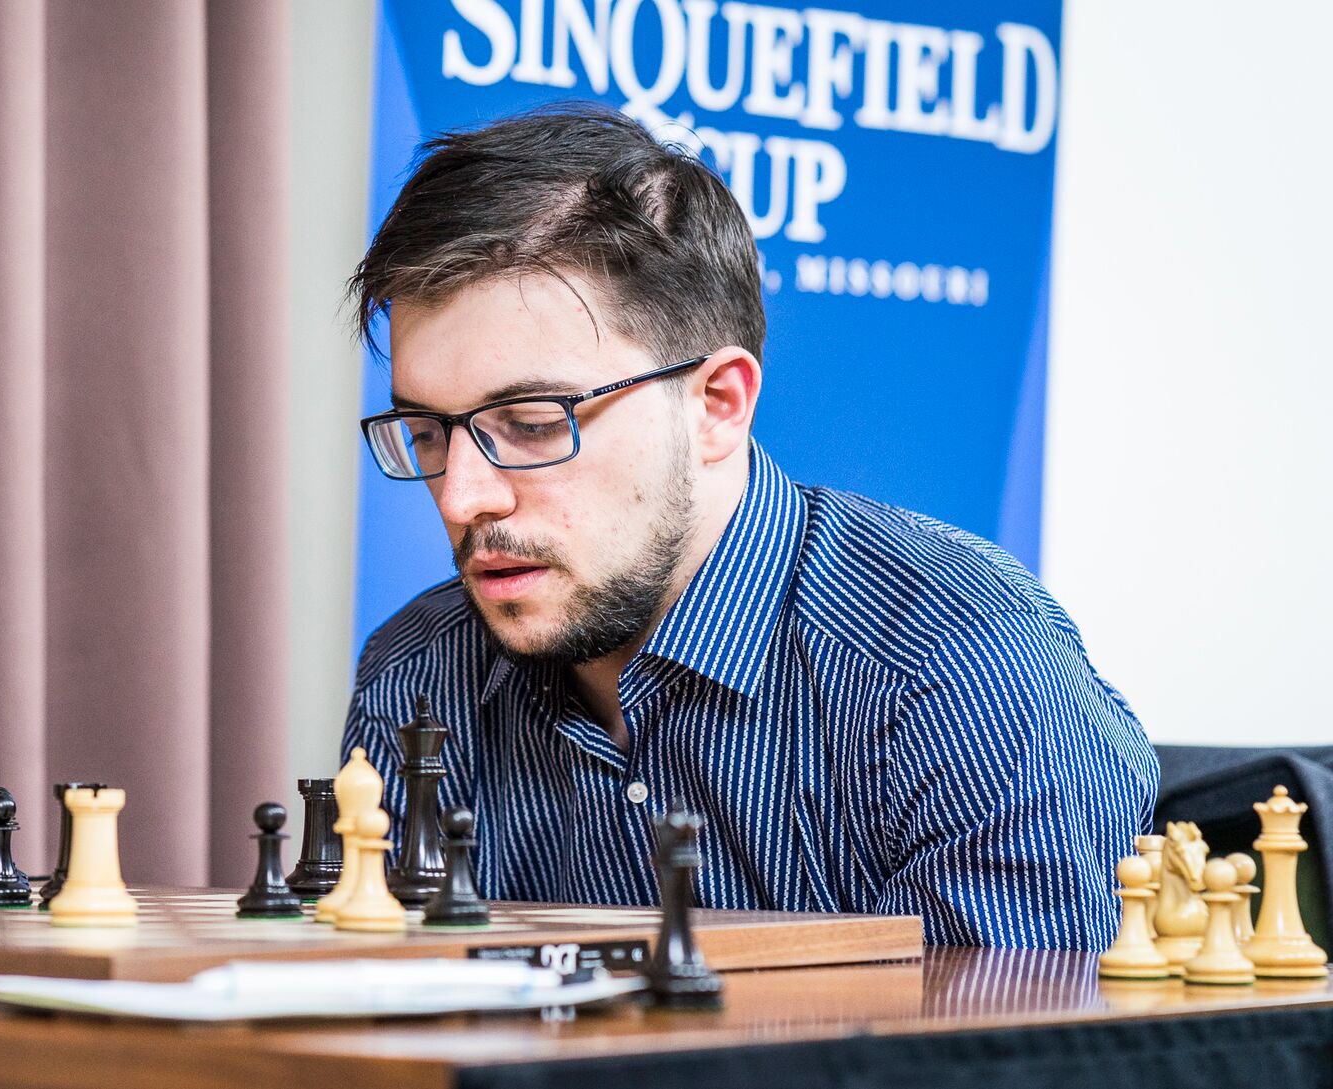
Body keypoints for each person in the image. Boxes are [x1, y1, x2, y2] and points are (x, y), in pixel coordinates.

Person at [339, 103, 1156, 950]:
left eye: (535, 421)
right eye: (429, 432)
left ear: (717, 404)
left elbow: (1010, 1058)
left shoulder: (954, 667)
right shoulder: (417, 675)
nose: (462, 496)